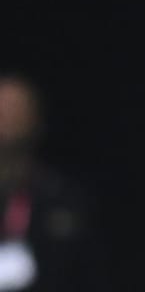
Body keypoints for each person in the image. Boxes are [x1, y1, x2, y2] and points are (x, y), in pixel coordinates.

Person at [0, 73, 104, 292]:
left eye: (16, 108)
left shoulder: (63, 198)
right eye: (2, 108)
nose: (7, 117)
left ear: (36, 119)